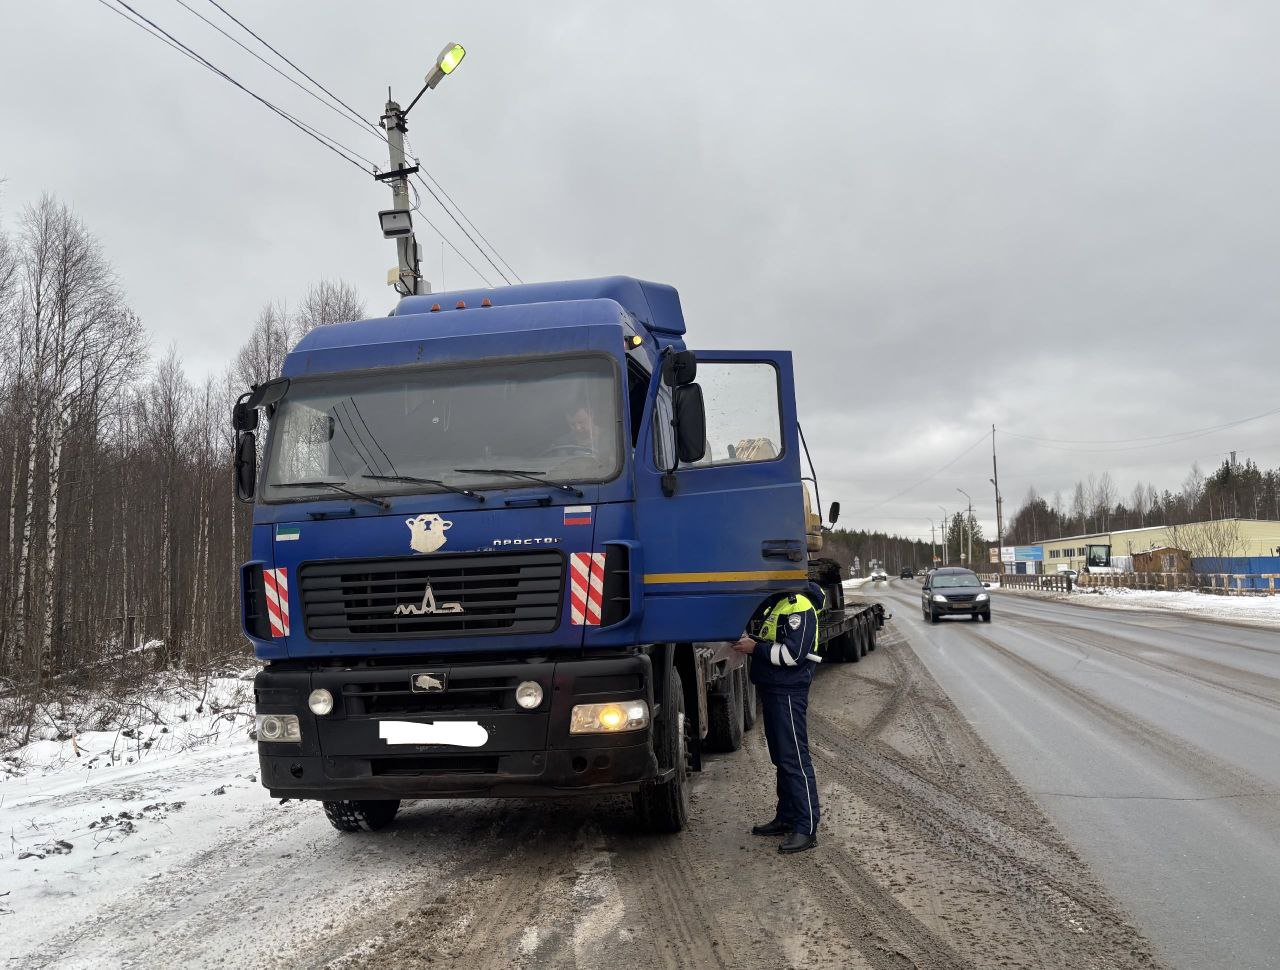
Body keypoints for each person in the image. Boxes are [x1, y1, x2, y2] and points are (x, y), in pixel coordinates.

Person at [731, 585, 824, 854]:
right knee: (781, 757)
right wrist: (754, 645)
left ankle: (806, 828)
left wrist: (754, 649)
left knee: (794, 758)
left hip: (788, 690)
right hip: (774, 687)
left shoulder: (798, 606)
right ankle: (787, 816)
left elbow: (792, 655)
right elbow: (775, 643)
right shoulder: (780, 603)